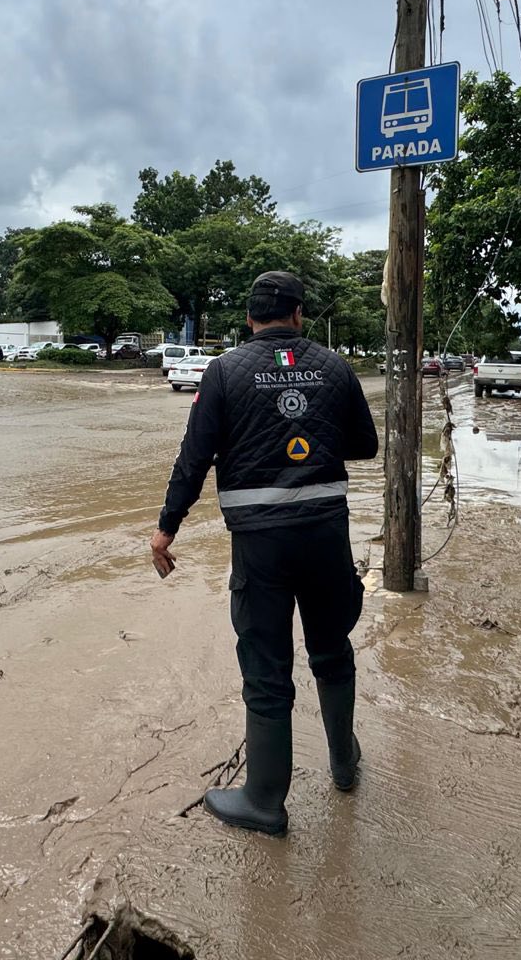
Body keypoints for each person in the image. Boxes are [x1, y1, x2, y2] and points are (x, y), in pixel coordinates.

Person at [150, 271, 379, 836]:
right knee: (331, 647)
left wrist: (166, 530)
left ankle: (265, 800)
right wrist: (310, 431)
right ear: (298, 315)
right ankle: (344, 764)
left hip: (261, 545)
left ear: (249, 318)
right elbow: (366, 445)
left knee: (267, 667)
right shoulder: (333, 367)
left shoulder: (224, 371)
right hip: (327, 534)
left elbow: (193, 458)